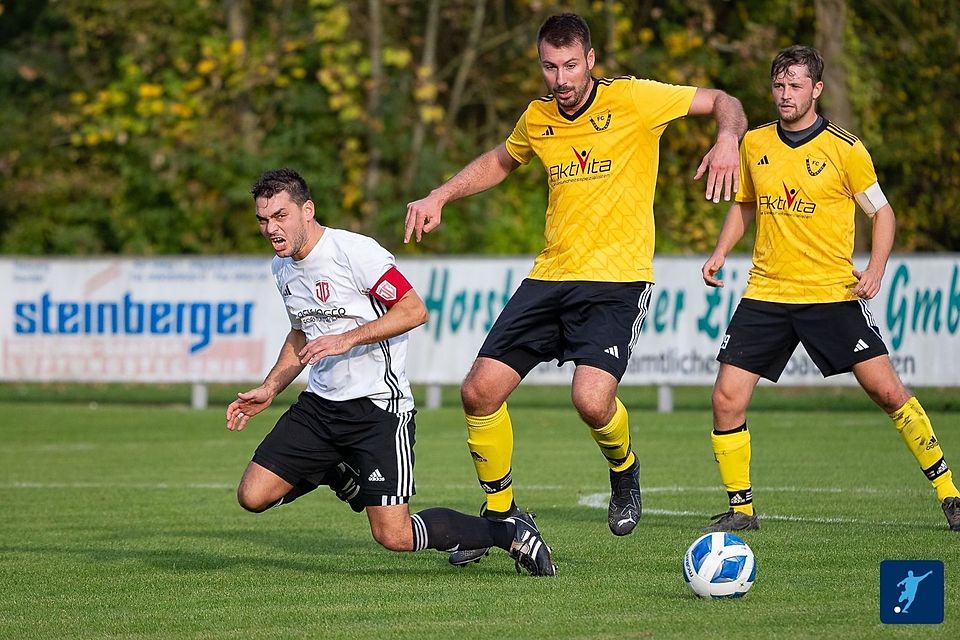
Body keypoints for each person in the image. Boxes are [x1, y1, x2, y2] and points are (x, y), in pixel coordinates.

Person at [404, 13, 748, 566]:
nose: (560, 78)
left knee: (591, 402)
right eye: (549, 66)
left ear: (590, 60)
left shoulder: (635, 99)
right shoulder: (538, 116)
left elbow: (723, 100)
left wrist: (729, 138)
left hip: (616, 281)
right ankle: (503, 517)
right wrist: (440, 196)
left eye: (570, 65)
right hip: (550, 277)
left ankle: (624, 470)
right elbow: (500, 160)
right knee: (478, 392)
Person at [225, 168, 556, 576]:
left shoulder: (353, 253)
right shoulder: (283, 268)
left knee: (393, 536)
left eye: (280, 216)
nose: (271, 228)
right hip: (320, 406)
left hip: (378, 410)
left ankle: (508, 533)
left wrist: (347, 339)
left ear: (307, 210)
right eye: (263, 219)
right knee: (252, 495)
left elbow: (414, 310)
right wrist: (271, 387)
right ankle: (337, 468)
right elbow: (300, 333)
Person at [700, 45, 960, 533]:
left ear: (816, 89)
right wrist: (719, 252)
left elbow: (882, 212)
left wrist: (876, 269)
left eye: (795, 85)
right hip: (768, 293)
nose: (785, 94)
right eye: (778, 85)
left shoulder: (845, 148)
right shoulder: (755, 144)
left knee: (888, 391)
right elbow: (745, 205)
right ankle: (742, 510)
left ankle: (950, 494)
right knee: (725, 399)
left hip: (831, 294)